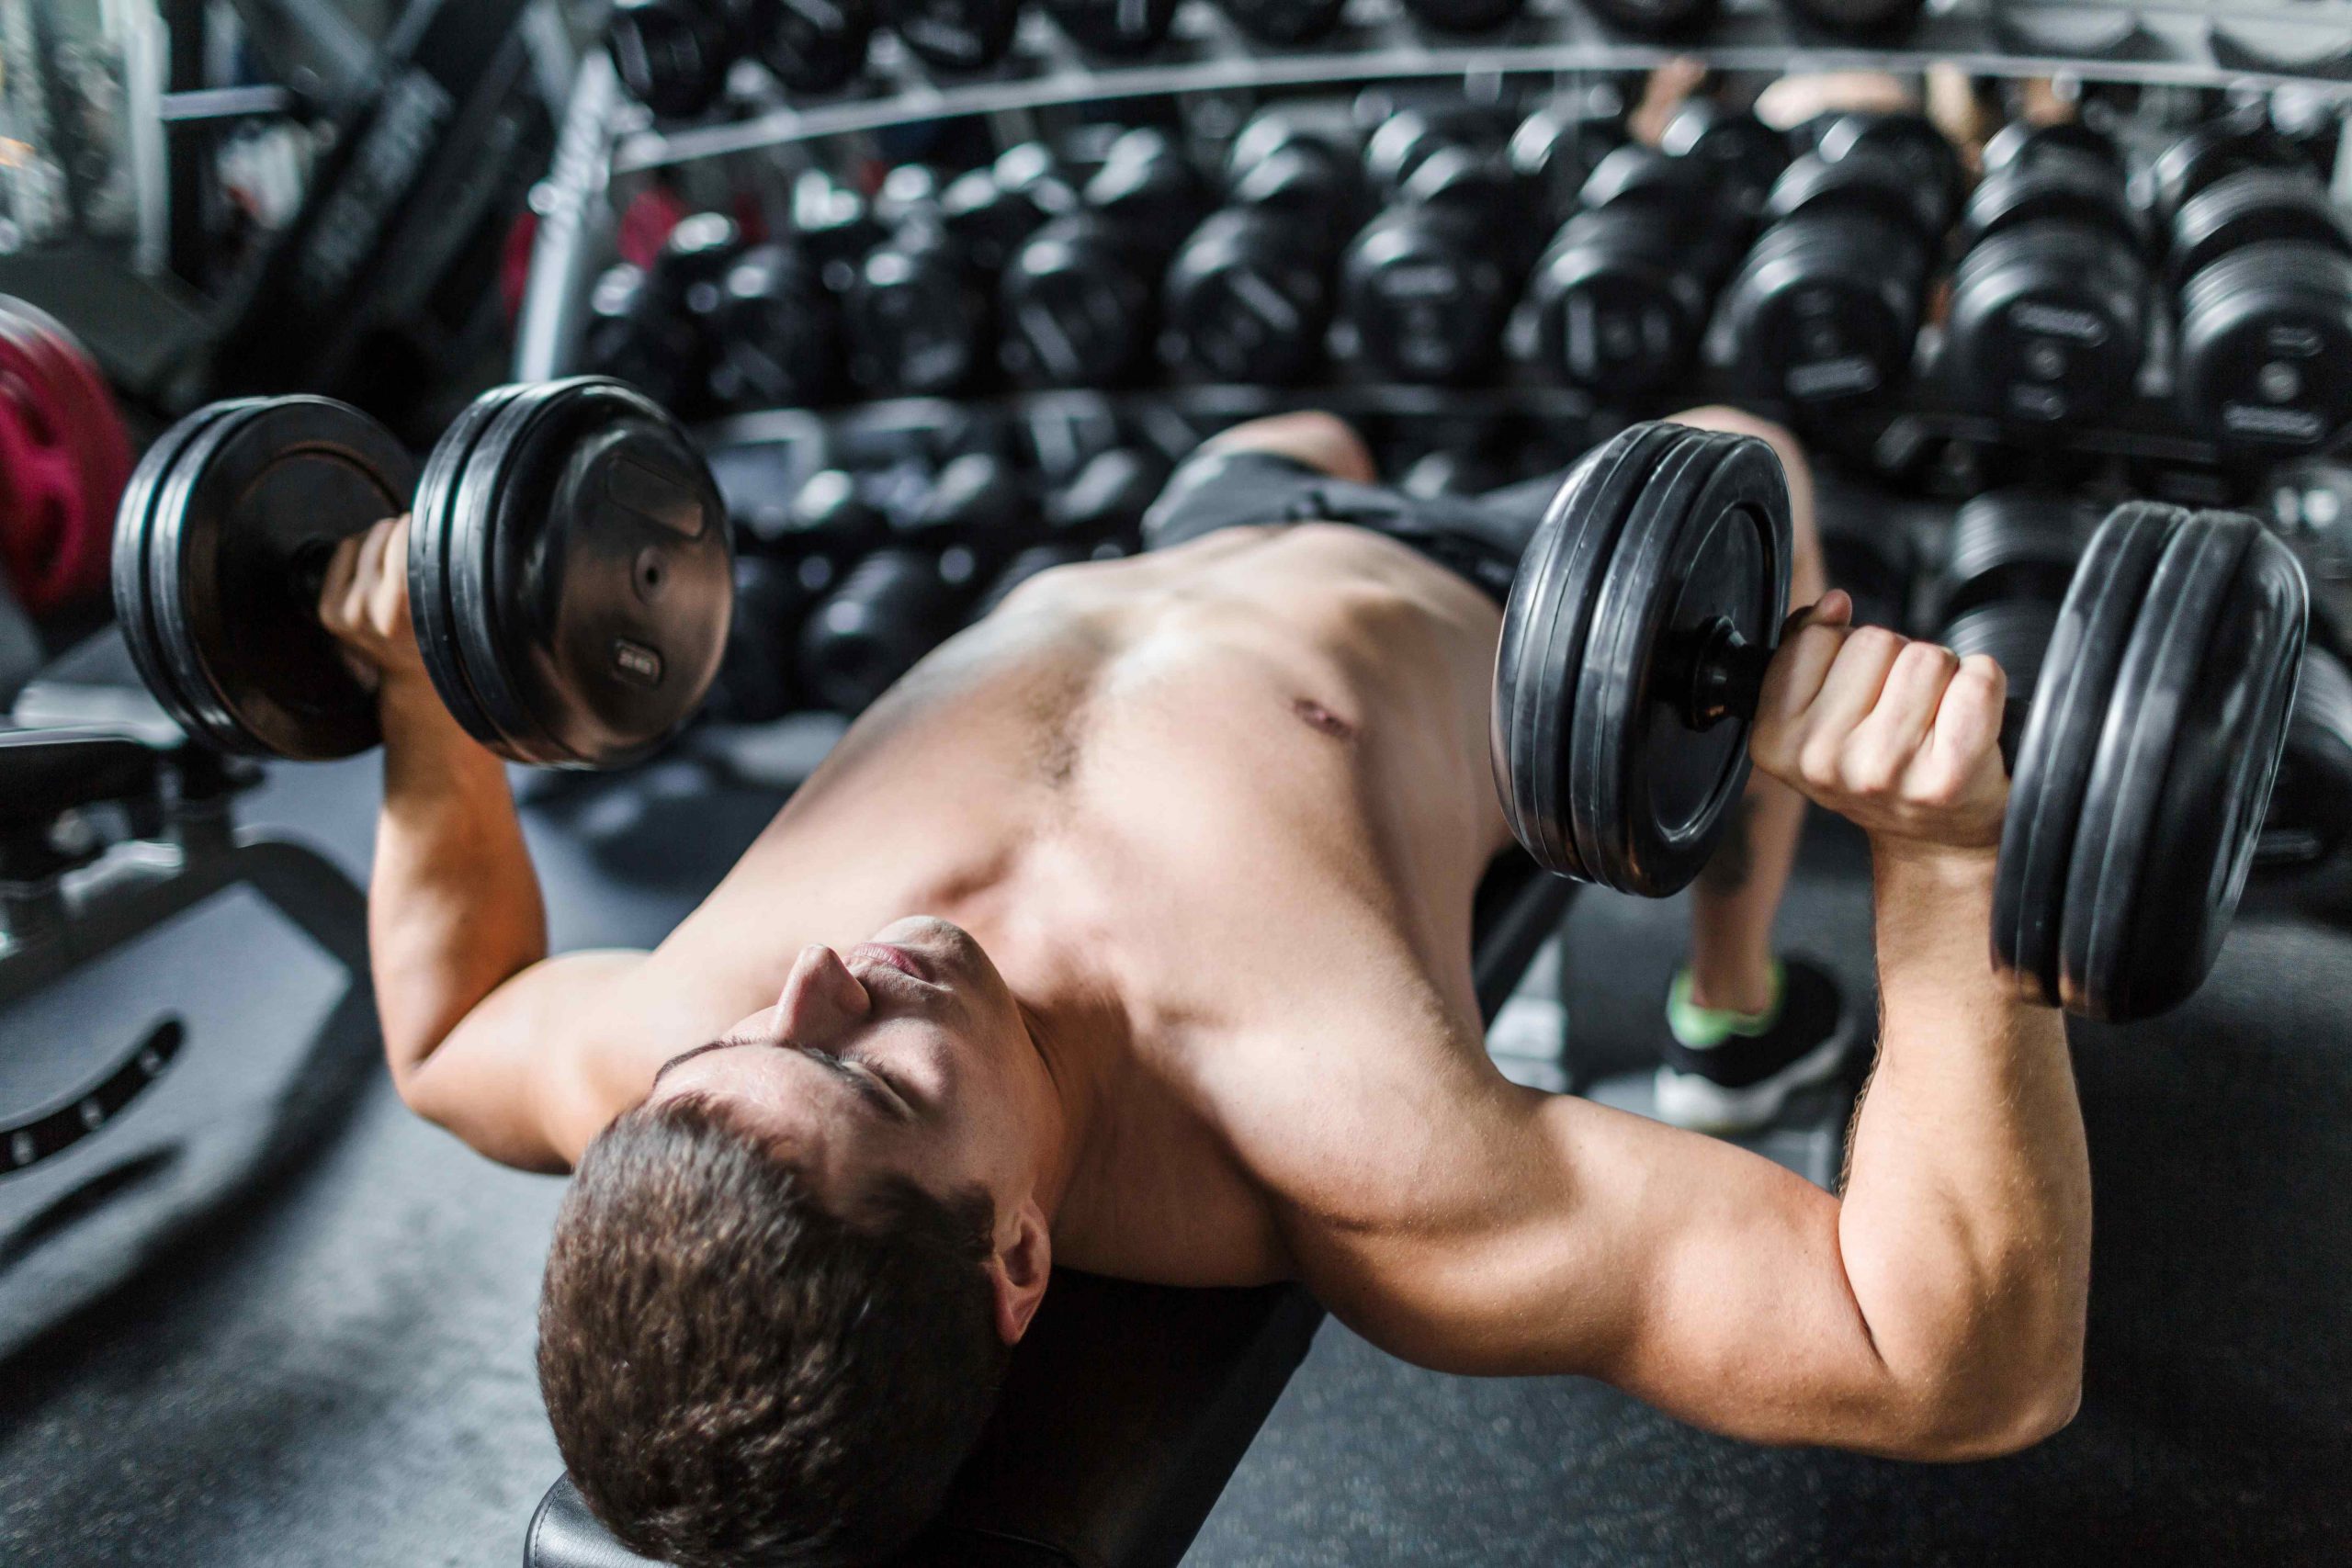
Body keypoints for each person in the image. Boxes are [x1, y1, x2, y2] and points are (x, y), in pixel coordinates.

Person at [318, 410, 2091, 1568]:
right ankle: (1731, 1003)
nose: (818, 979)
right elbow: (1957, 1367)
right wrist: (1945, 877)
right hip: (1512, 600)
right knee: (1749, 464)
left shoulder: (681, 1063)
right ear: (1017, 1255)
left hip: (1202, 527)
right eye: (874, 1077)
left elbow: (453, 1032)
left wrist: (412, 693)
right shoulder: (1338, 1135)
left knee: (1290, 421)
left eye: (747, 1039)